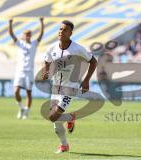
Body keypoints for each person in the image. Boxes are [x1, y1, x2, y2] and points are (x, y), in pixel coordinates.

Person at [42, 20, 97, 153]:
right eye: (60, 29)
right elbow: (46, 60)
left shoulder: (77, 49)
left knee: (53, 117)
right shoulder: (52, 48)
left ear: (70, 33)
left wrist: (86, 80)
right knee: (56, 124)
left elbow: (93, 62)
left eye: (65, 30)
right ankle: (64, 145)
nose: (61, 31)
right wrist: (46, 71)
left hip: (70, 88)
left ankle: (70, 118)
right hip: (56, 87)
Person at [9, 17, 44, 119]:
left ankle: (26, 112)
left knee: (29, 92)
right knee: (16, 91)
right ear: (23, 36)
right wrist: (10, 23)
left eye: (29, 34)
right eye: (26, 35)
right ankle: (21, 107)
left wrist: (41, 23)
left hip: (29, 71)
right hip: (20, 71)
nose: (28, 36)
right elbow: (11, 34)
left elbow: (41, 35)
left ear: (30, 36)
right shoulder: (20, 43)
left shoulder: (34, 44)